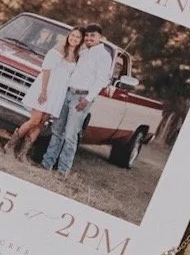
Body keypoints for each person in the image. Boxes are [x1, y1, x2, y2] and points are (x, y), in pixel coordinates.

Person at [43, 26, 116, 177]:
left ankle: (62, 171)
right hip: (67, 93)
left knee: (70, 135)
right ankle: (46, 164)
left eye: (93, 36)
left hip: (81, 98)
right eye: (87, 36)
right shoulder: (83, 51)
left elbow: (101, 80)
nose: (89, 38)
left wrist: (87, 99)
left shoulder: (103, 55)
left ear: (100, 37)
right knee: (57, 130)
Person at [7, 27, 81, 160]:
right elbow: (46, 70)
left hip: (58, 93)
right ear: (69, 35)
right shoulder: (58, 51)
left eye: (78, 37)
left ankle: (23, 153)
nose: (74, 38)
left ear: (80, 41)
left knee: (41, 124)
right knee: (35, 120)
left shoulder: (76, 57)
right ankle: (10, 145)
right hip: (46, 88)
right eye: (73, 35)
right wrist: (43, 92)